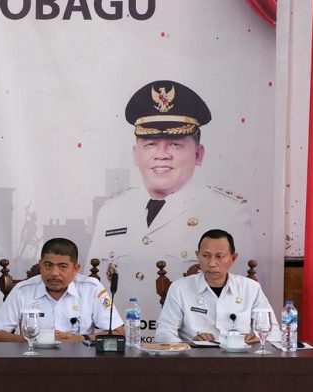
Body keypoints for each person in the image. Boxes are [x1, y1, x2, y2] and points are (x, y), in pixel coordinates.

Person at [88, 80, 258, 340]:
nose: (162, 154)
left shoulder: (227, 212)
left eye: (175, 144)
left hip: (188, 346)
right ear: (136, 154)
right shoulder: (111, 211)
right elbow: (92, 290)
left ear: (199, 154)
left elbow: (242, 295)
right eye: (150, 144)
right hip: (122, 344)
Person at [155, 229, 280, 343]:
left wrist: (258, 337)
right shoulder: (179, 288)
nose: (212, 263)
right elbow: (163, 333)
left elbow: (274, 332)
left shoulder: (251, 288)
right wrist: (191, 345)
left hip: (240, 357)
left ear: (233, 258)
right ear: (198, 255)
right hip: (196, 358)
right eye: (205, 256)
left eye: (219, 257)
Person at [0, 238, 124, 342]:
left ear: (76, 268)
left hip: (80, 363)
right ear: (40, 265)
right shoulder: (22, 290)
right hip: (34, 363)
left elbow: (118, 333)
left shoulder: (92, 289)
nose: (54, 273)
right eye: (48, 265)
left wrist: (80, 339)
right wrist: (39, 340)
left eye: (63, 266)